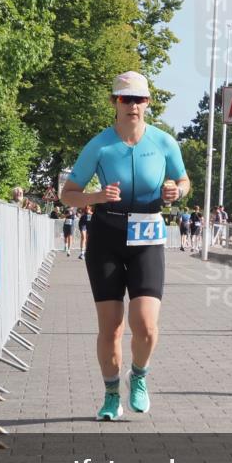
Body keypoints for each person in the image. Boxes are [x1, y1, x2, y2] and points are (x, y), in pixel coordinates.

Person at [59, 71, 190, 421]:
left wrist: (178, 191)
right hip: (107, 234)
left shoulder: (164, 142)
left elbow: (183, 179)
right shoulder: (100, 145)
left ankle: (140, 377)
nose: (132, 105)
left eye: (139, 99)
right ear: (114, 103)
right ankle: (111, 393)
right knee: (112, 326)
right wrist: (97, 195)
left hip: (147, 233)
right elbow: (67, 193)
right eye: (125, 99)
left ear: (148, 103)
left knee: (146, 325)